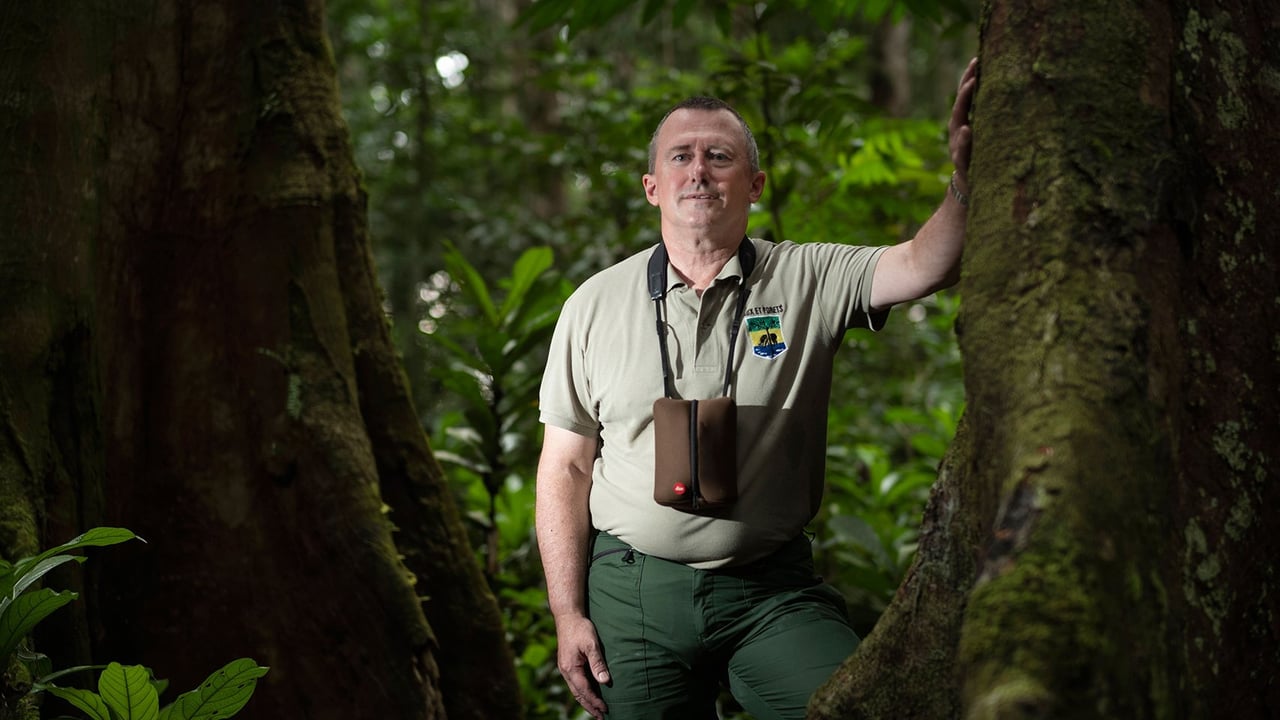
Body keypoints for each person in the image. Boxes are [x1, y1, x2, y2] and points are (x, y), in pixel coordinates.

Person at [536, 58, 978, 720]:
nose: (699, 171)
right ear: (653, 186)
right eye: (680, 157)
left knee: (847, 708)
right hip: (634, 590)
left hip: (770, 589)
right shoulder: (593, 304)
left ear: (755, 183)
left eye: (719, 156)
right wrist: (567, 613)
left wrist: (965, 182)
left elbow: (924, 264)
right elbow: (565, 465)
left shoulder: (807, 275)